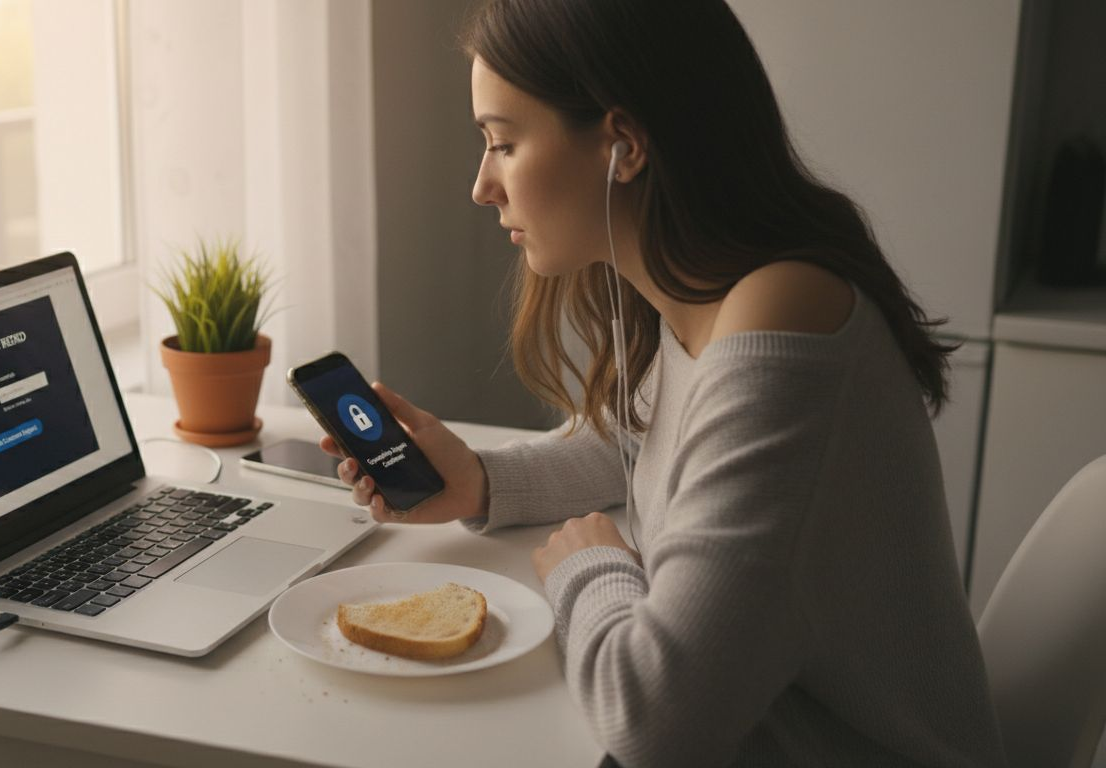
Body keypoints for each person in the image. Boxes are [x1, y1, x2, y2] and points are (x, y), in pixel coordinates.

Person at [320, 1, 1006, 765]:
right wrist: (481, 480)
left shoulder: (783, 319)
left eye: (504, 144)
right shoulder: (706, 292)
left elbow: (652, 715)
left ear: (623, 145)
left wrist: (590, 565)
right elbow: (644, 439)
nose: (482, 185)